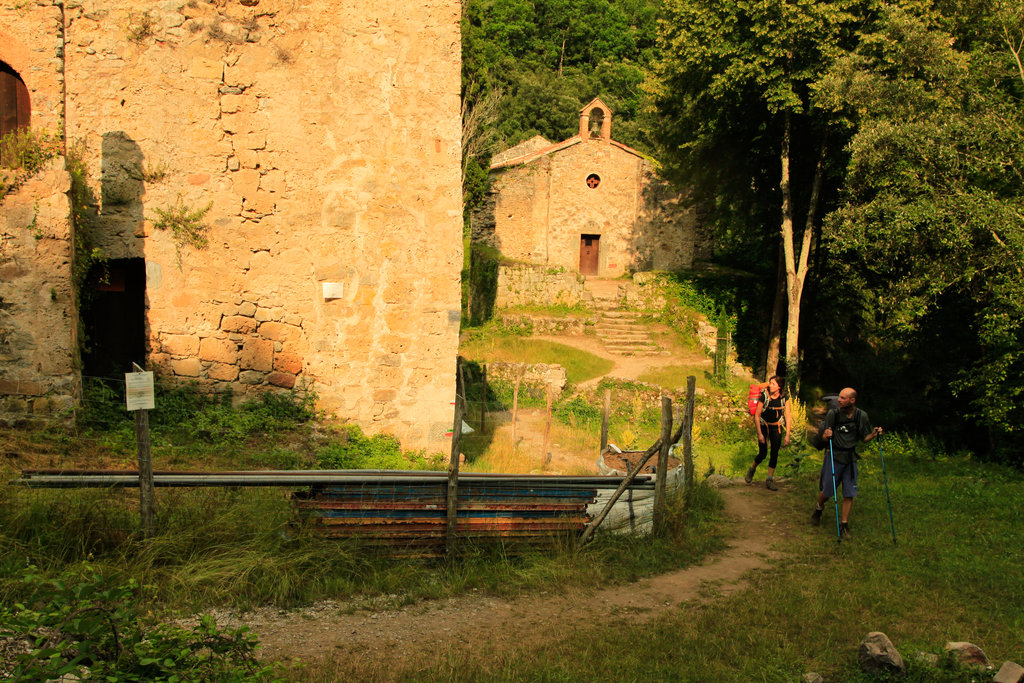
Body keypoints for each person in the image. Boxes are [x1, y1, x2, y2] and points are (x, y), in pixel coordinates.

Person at [811, 387, 883, 539]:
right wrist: (826, 435)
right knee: (828, 491)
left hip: (850, 459)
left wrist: (874, 434)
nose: (839, 400)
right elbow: (824, 438)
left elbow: (864, 438)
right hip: (834, 455)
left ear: (852, 400)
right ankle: (819, 507)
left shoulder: (861, 416)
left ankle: (844, 525)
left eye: (843, 398)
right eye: (840, 397)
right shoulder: (834, 414)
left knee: (849, 493)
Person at [744, 375, 791, 491]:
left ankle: (770, 479)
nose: (770, 385)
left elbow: (788, 416)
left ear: (779, 387)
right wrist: (760, 434)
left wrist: (788, 434)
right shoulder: (764, 396)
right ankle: (752, 469)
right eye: (770, 383)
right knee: (763, 453)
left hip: (777, 427)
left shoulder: (784, 398)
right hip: (763, 426)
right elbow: (757, 415)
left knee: (774, 453)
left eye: (773, 384)